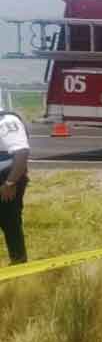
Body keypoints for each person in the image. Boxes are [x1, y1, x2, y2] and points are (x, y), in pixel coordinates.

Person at [0, 109, 30, 264]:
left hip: (6, 179)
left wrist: (10, 183)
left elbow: (22, 153)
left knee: (10, 222)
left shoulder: (6, 122)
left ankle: (18, 262)